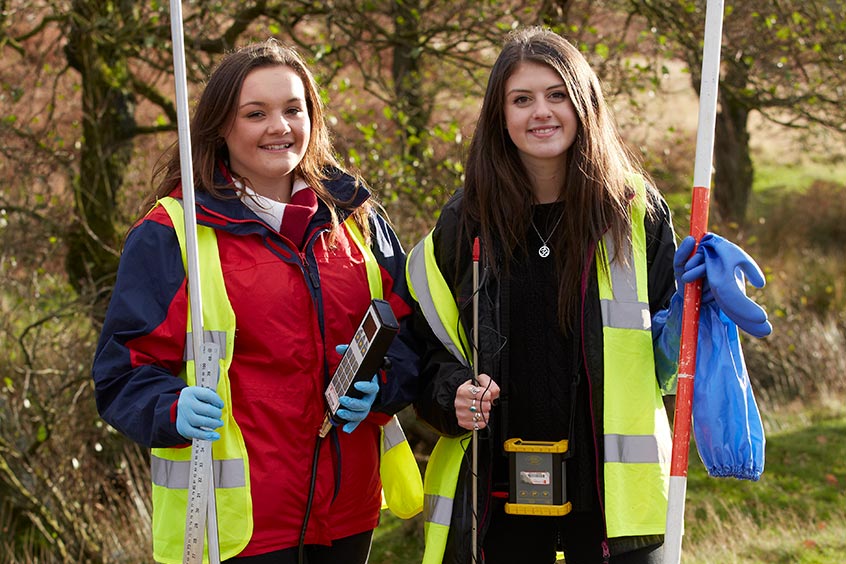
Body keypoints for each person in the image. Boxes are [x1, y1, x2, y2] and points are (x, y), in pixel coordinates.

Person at [406, 26, 770, 564]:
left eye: (557, 95)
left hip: (614, 513)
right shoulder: (466, 221)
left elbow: (667, 364)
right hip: (496, 508)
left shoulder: (633, 212)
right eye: (521, 99)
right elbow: (424, 350)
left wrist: (695, 307)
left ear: (584, 103)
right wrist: (450, 394)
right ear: (499, 115)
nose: (541, 113)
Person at [91, 39, 420, 564]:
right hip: (242, 524)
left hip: (349, 513)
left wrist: (384, 384)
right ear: (222, 126)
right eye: (255, 113)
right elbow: (121, 371)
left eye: (293, 109)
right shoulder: (171, 233)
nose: (279, 127)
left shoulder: (360, 220)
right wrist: (169, 407)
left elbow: (413, 336)